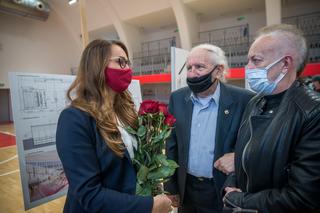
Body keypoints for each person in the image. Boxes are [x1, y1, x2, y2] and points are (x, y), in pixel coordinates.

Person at [56, 39, 172, 213]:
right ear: (97, 66)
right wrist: (150, 206)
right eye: (121, 62)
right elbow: (90, 194)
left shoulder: (126, 112)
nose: (128, 69)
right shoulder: (74, 119)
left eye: (128, 63)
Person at [222, 24, 320, 213]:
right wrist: (230, 187)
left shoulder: (312, 113)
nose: (247, 68)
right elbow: (242, 155)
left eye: (256, 60)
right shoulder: (255, 102)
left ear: (285, 63)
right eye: (248, 60)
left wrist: (239, 199)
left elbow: (304, 197)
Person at [164, 44, 254, 213]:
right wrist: (171, 187)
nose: (192, 73)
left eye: (199, 67)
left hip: (222, 189)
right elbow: (171, 144)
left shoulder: (244, 100)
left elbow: (254, 143)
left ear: (219, 70)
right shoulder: (177, 98)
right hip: (187, 189)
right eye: (189, 67)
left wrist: (237, 158)